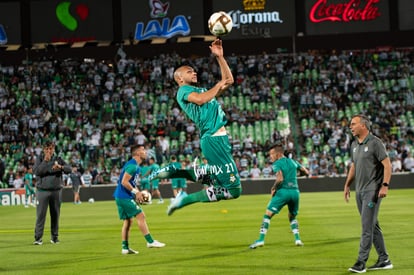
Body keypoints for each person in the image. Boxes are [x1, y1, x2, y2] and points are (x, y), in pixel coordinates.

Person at [148, 38, 241, 216]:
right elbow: (201, 99)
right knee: (234, 190)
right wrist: (218, 85)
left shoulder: (201, 90)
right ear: (180, 78)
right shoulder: (183, 90)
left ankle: (174, 172)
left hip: (217, 140)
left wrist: (220, 57)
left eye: (194, 70)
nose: (194, 72)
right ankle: (183, 199)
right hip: (214, 139)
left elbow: (228, 81)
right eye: (189, 71)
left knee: (212, 177)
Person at [344, 114, 393, 273]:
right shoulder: (354, 145)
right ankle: (384, 259)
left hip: (372, 191)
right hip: (359, 190)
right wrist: (347, 185)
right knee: (373, 225)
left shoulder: (375, 143)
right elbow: (354, 166)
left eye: (353, 124)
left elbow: (387, 165)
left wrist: (384, 185)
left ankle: (361, 262)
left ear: (363, 126)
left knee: (366, 227)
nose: (350, 127)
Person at [249, 143, 309, 249]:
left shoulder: (277, 164)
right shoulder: (293, 162)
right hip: (295, 192)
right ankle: (298, 239)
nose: (270, 157)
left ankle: (261, 240)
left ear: (278, 154)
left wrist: (274, 188)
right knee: (292, 216)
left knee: (267, 215)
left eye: (271, 154)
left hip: (283, 192)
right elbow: (306, 172)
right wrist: (297, 175)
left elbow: (280, 178)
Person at [113, 145, 165, 255]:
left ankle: (125, 248)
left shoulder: (135, 166)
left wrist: (138, 193)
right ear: (137, 153)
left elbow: (131, 183)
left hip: (121, 196)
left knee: (128, 221)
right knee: (141, 216)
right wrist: (136, 192)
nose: (145, 152)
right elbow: (124, 182)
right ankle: (150, 241)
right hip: (124, 196)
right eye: (143, 150)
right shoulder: (133, 166)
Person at [33, 140, 72, 245]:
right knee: (40, 215)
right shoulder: (40, 159)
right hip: (42, 191)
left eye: (51, 148)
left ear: (53, 149)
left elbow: (69, 169)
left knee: (55, 215)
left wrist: (61, 167)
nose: (49, 151)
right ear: (43, 149)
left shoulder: (58, 159)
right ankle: (38, 238)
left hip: (56, 191)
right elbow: (36, 172)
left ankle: (54, 238)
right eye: (47, 149)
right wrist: (45, 162)